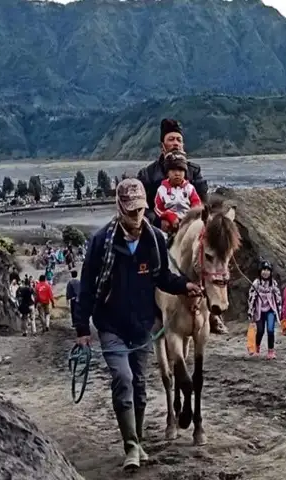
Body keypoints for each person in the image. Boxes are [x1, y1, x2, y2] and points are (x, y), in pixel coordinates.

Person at [75, 178, 202, 471]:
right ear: (119, 207)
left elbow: (163, 278)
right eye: (130, 211)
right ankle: (131, 446)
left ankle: (139, 441)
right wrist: (82, 328)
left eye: (140, 210)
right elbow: (86, 288)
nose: (136, 217)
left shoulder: (155, 239)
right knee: (124, 379)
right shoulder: (100, 242)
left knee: (140, 385)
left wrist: (186, 286)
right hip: (110, 324)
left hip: (142, 325)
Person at [136, 119, 227, 335]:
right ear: (162, 145)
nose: (176, 143)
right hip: (159, 229)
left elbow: (203, 204)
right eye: (171, 139)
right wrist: (160, 221)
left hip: (191, 229)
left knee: (214, 257)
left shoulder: (194, 172)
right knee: (143, 262)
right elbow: (143, 208)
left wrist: (192, 222)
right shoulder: (147, 175)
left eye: (179, 140)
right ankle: (146, 309)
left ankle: (214, 313)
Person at [153, 148, 202, 236]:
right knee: (163, 230)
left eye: (180, 170)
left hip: (187, 220)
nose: (177, 173)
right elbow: (158, 208)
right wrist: (169, 216)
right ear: (167, 173)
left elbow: (196, 203)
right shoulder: (162, 189)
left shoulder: (189, 188)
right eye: (173, 170)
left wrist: (192, 216)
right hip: (169, 221)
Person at [247, 261, 283, 359]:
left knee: (270, 330)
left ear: (270, 272)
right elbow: (251, 297)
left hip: (270, 310)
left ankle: (271, 351)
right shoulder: (256, 283)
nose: (265, 272)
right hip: (259, 311)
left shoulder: (273, 283)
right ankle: (257, 348)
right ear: (260, 271)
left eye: (268, 270)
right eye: (264, 270)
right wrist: (251, 312)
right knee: (260, 331)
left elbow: (278, 297)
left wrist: (280, 311)